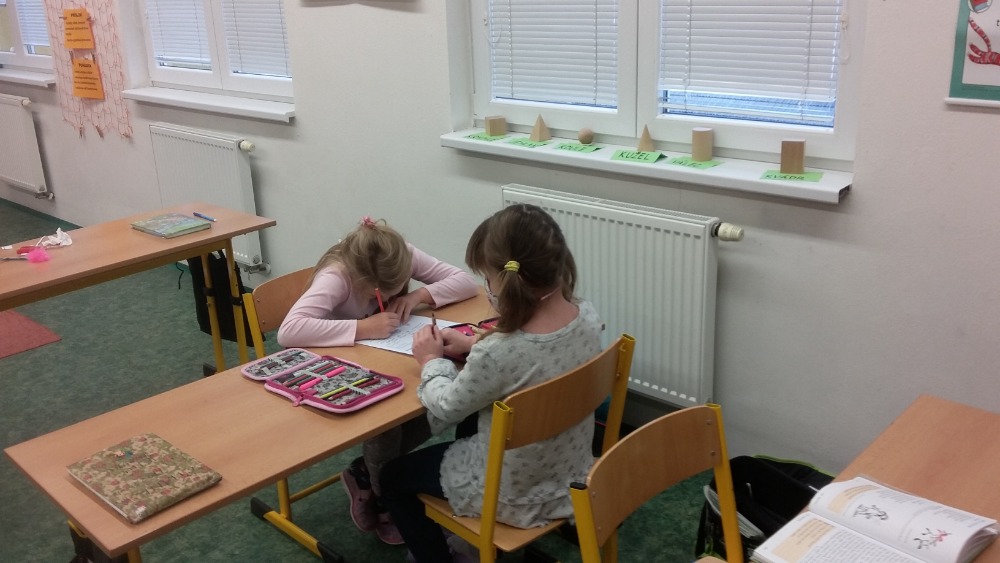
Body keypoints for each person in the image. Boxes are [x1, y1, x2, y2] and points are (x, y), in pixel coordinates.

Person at [379, 204, 604, 563]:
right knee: (474, 421)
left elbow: (446, 406)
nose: (487, 286)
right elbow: (534, 360)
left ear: (507, 279)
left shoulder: (498, 354)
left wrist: (431, 360)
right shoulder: (587, 316)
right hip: (571, 470)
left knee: (392, 477)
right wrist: (474, 344)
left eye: (487, 277)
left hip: (512, 492)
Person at [277, 216, 478, 545]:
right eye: (382, 292)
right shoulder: (337, 276)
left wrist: (417, 296)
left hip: (387, 359)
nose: (392, 294)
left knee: (444, 398)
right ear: (361, 280)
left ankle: (367, 472)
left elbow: (466, 282)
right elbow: (289, 331)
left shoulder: (400, 254)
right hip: (337, 371)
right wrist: (362, 328)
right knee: (388, 422)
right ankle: (386, 496)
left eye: (399, 286)